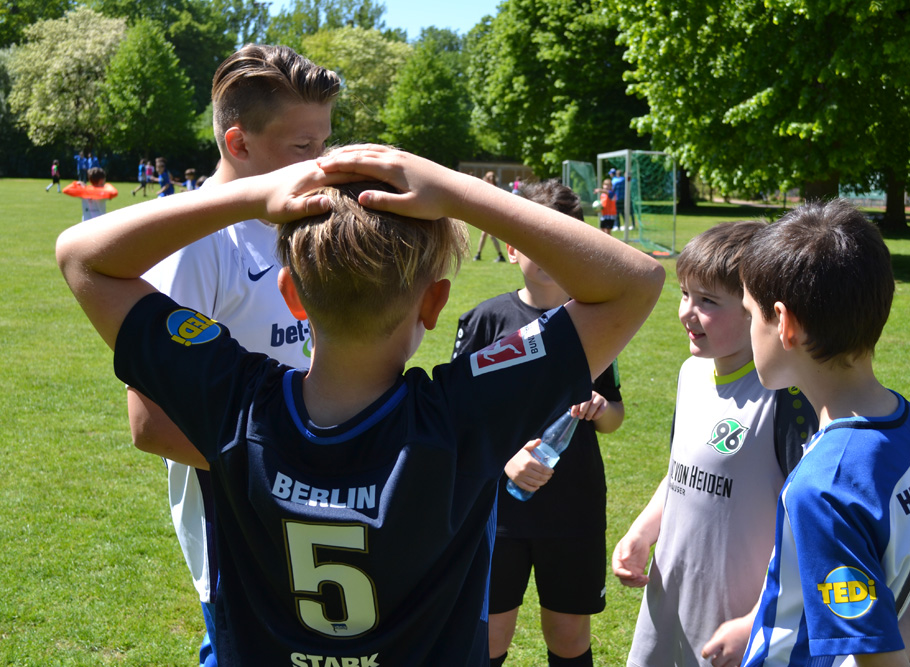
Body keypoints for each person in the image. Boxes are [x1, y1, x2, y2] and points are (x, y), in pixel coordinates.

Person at [55, 144, 666, 665]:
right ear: (434, 304)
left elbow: (83, 255)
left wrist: (252, 195)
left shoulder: (233, 402)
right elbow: (634, 281)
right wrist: (456, 191)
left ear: (291, 295)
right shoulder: (464, 416)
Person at [125, 44, 340, 667]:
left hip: (309, 488)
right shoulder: (194, 244)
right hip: (240, 507)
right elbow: (150, 422)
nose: (320, 162)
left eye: (325, 142)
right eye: (302, 146)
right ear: (238, 143)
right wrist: (283, 470)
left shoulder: (299, 221)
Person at [737, 199, 910, 666]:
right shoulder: (904, 424)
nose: (749, 328)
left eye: (750, 314)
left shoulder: (824, 488)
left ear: (785, 324)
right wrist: (906, 646)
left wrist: (894, 653)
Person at [612, 221, 818, 667]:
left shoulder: (786, 398)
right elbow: (682, 473)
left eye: (708, 301)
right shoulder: (691, 374)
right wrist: (643, 530)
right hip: (669, 599)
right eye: (685, 294)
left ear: (755, 310)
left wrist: (757, 620)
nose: (687, 312)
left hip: (735, 622)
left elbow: (809, 528)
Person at [452, 180, 625, 667]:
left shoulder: (592, 324)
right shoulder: (486, 320)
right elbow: (458, 416)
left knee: (569, 638)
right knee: (490, 637)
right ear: (512, 249)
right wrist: (505, 461)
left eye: (563, 242)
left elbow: (614, 415)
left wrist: (601, 408)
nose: (550, 255)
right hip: (498, 509)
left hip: (574, 508)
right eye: (536, 241)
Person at [474, 171, 506, 262]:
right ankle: (478, 254)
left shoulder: (490, 188)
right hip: (490, 216)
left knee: (491, 236)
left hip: (491, 216)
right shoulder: (494, 188)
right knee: (484, 235)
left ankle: (500, 256)